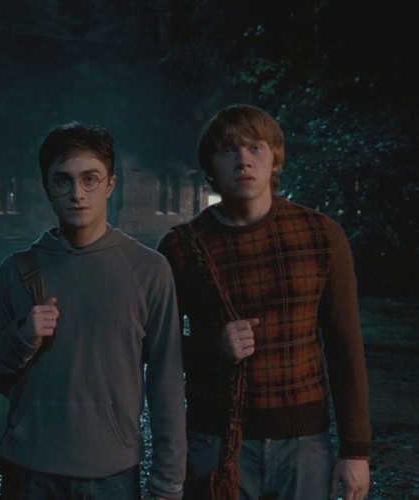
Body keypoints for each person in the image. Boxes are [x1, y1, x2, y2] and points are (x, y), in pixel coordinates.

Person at [156, 104, 372, 500]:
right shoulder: (182, 247)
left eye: (255, 147)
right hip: (215, 441)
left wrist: (356, 450)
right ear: (210, 165)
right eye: (228, 150)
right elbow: (156, 348)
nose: (243, 160)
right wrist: (213, 347)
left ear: (274, 156)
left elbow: (345, 347)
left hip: (303, 445)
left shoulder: (321, 236)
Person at [0, 121, 187, 499]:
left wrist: (168, 481)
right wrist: (22, 337)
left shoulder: (147, 270)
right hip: (29, 471)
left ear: (110, 185)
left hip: (111, 475)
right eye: (63, 181)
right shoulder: (18, 270)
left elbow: (166, 382)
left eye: (90, 179)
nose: (77, 194)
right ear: (47, 187)